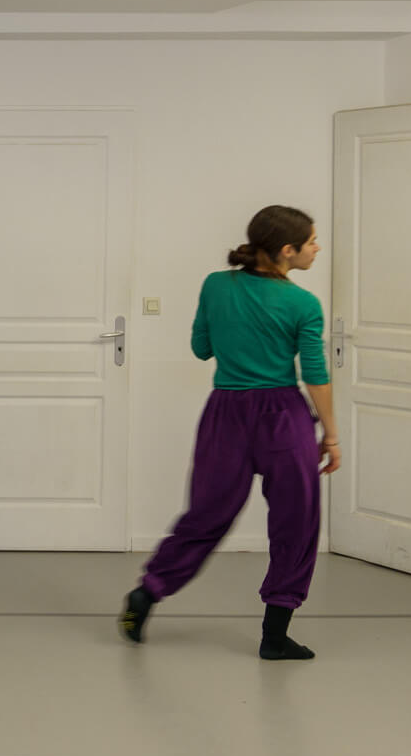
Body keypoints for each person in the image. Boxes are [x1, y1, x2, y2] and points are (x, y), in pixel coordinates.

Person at [120, 207, 336, 661]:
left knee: (206, 515)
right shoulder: (304, 304)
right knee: (297, 522)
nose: (318, 248)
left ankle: (147, 593)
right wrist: (331, 436)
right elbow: (315, 375)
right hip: (283, 416)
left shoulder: (216, 285)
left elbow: (201, 348)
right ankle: (274, 636)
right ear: (287, 250)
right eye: (312, 241)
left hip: (225, 413)